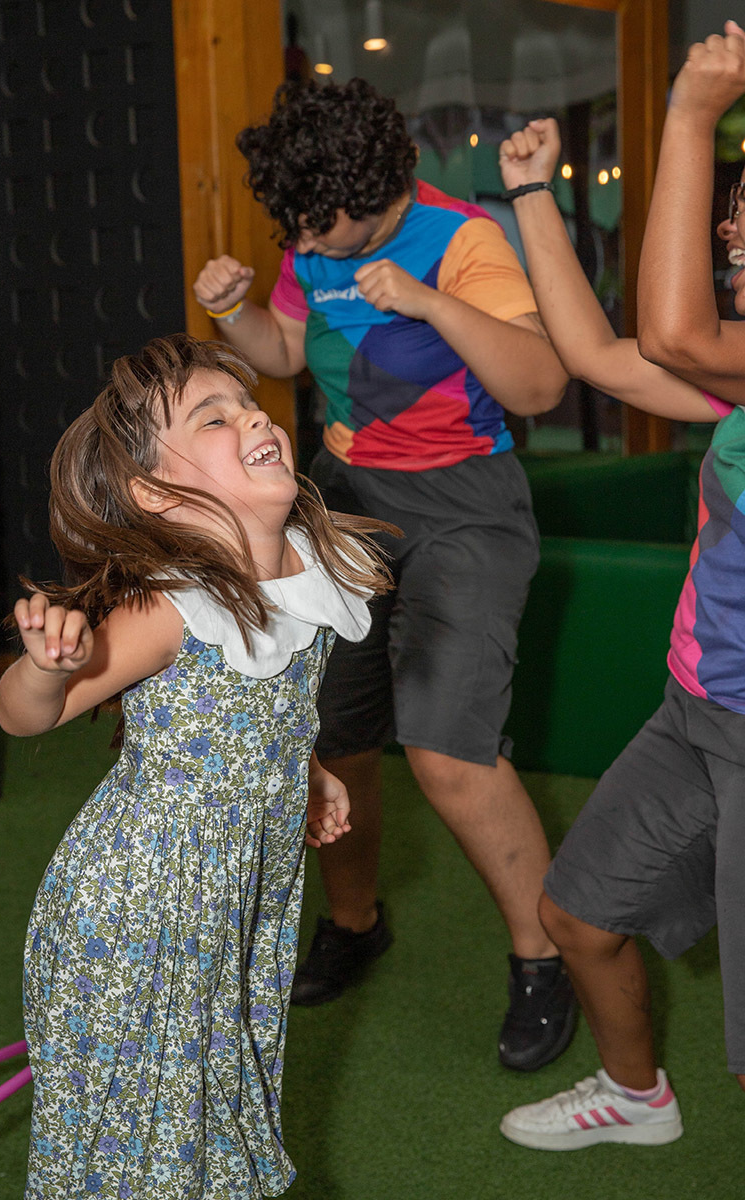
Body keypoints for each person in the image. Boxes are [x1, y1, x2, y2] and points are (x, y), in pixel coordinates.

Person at [192, 76, 576, 1072]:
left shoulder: (463, 242)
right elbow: (284, 347)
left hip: (463, 509)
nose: (307, 247)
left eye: (322, 227)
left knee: (448, 754)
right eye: (295, 231)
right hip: (343, 502)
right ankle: (354, 924)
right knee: (334, 737)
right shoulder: (310, 238)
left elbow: (539, 381)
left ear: (374, 192)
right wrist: (237, 314)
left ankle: (545, 958)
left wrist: (425, 301)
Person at [0, 334, 393, 1198]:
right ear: (157, 494)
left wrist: (310, 770)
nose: (254, 416)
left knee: (207, 1116)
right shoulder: (175, 606)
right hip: (141, 912)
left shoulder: (311, 571)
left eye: (249, 405)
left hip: (231, 901)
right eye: (214, 417)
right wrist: (42, 669)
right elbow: (28, 718)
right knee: (144, 1141)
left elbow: (273, 710)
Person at [496, 81, 745, 1152]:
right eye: (726, 202)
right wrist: (529, 197)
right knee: (575, 916)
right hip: (693, 711)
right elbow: (606, 360)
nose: (727, 221)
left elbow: (677, 336)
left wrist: (687, 114)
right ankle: (636, 1095)